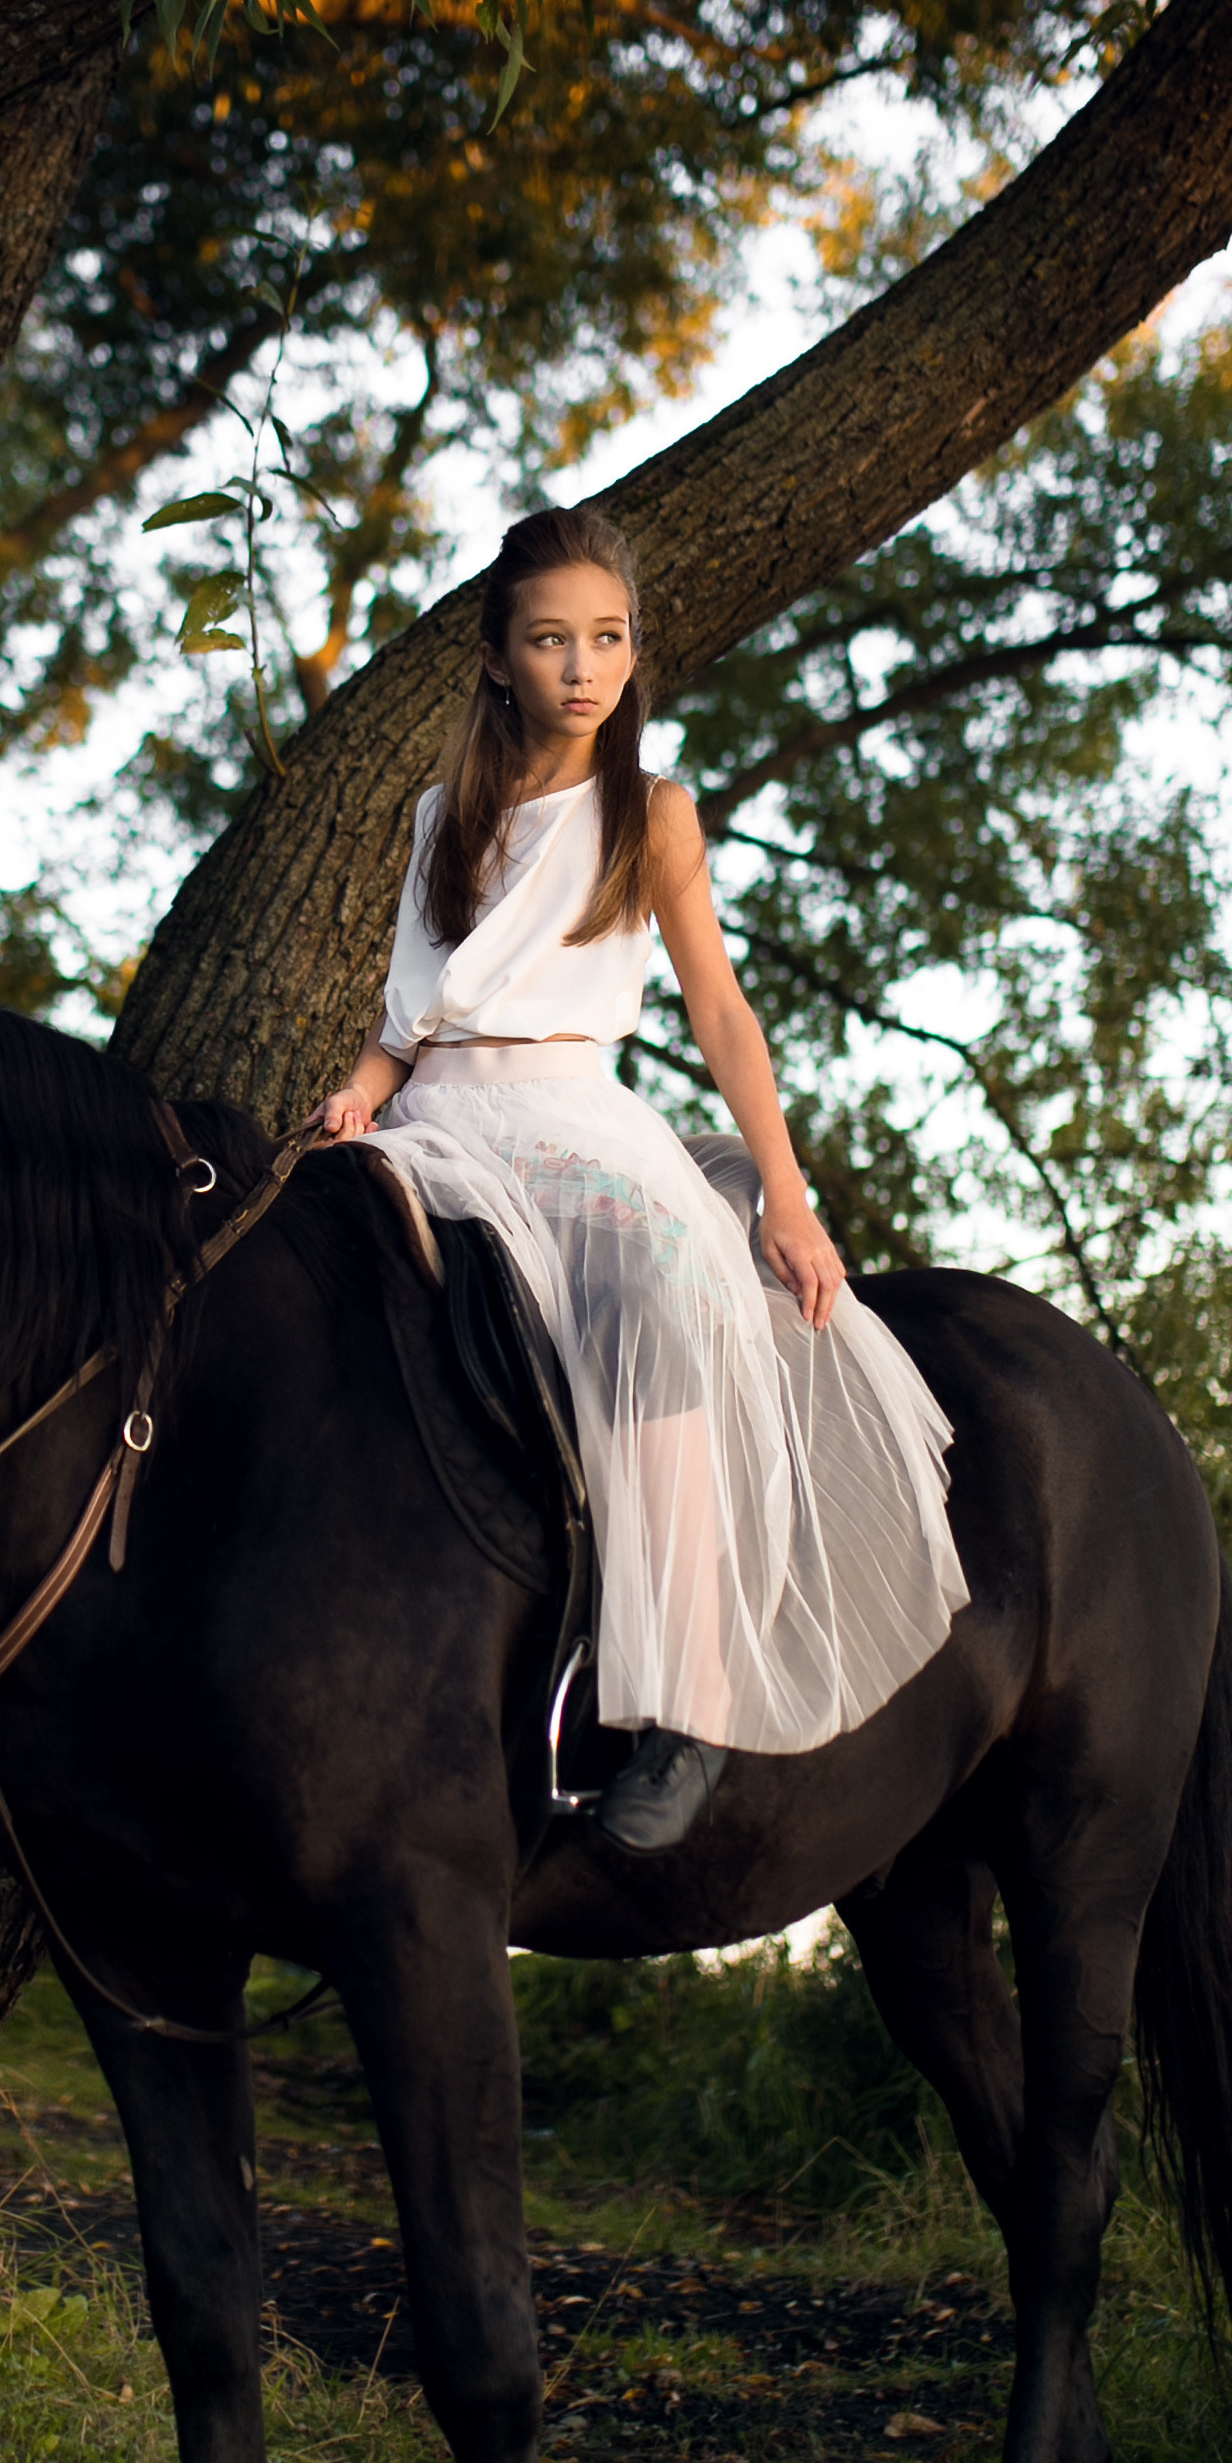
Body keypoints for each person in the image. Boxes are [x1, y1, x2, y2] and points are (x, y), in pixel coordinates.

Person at [317, 503, 968, 1852]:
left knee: (667, 1293)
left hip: (573, 1120)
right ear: (497, 657)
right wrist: (360, 1093)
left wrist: (787, 1194)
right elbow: (411, 1016)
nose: (583, 667)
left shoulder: (650, 814)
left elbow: (720, 1010)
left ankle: (691, 1697)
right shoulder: (444, 815)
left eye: (608, 638)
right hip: (439, 1115)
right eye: (551, 639)